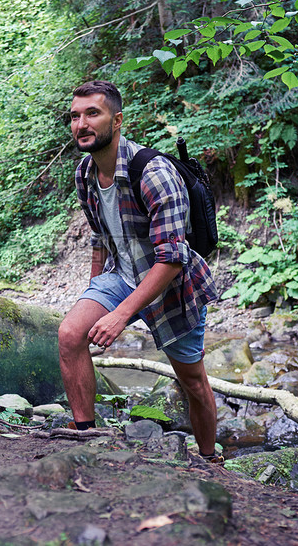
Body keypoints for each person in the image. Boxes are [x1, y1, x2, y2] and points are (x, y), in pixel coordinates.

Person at [58, 80, 221, 463]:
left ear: (117, 121)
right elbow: (101, 239)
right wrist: (94, 294)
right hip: (121, 274)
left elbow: (172, 259)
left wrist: (120, 315)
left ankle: (210, 459)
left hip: (172, 286)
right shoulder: (85, 174)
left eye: (92, 114)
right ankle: (86, 434)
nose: (81, 124)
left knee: (193, 381)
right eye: (75, 116)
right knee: (69, 334)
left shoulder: (153, 173)